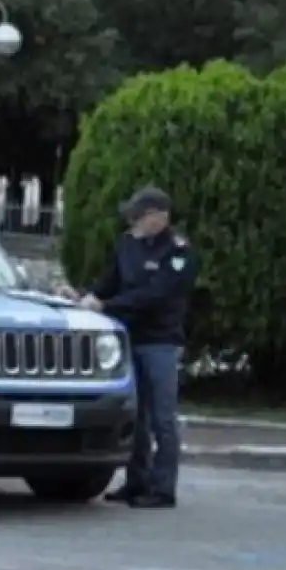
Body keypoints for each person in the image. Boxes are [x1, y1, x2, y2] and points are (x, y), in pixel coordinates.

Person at [63, 186, 197, 508]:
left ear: (160, 217)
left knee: (163, 417)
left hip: (161, 342)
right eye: (134, 216)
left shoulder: (178, 252)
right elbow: (111, 281)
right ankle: (137, 481)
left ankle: (163, 488)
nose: (135, 222)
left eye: (141, 216)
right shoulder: (127, 244)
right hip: (129, 338)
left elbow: (157, 295)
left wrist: (107, 306)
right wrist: (85, 296)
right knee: (136, 416)